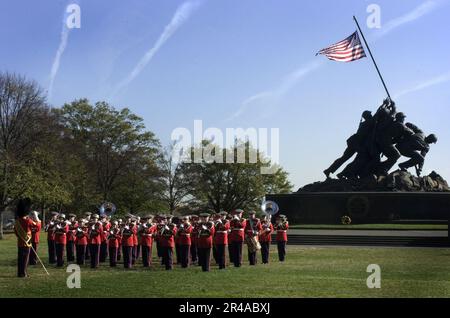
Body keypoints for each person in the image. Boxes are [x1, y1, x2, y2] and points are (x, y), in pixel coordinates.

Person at [324, 110, 374, 178]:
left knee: (344, 158)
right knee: (362, 156)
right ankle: (348, 172)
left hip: (353, 142)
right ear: (367, 116)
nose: (371, 115)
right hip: (357, 143)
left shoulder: (364, 123)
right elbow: (377, 115)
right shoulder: (368, 122)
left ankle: (329, 170)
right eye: (370, 114)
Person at [14, 198, 35, 277]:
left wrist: (20, 237)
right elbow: (37, 226)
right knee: (25, 259)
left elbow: (16, 232)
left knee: (20, 259)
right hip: (27, 242)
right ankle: (23, 273)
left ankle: (19, 273)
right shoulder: (28, 221)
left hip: (20, 242)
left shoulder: (17, 221)